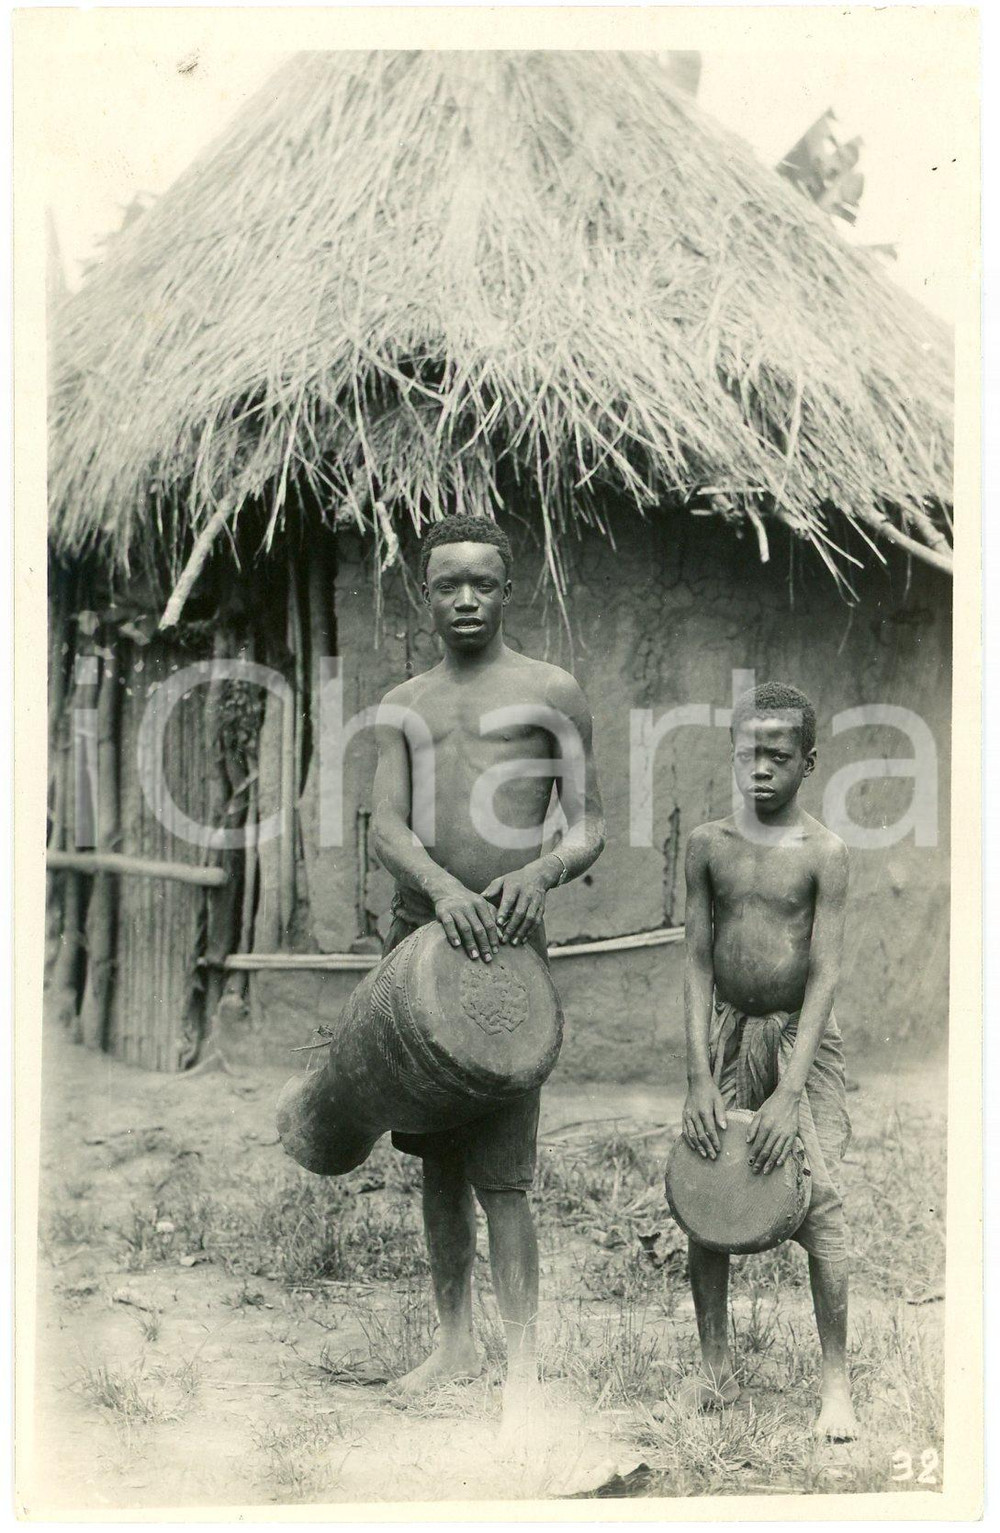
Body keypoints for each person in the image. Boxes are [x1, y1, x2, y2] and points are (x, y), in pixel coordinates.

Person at [370, 515, 605, 1418]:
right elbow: (387, 826)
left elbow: (587, 824)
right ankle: (456, 1341)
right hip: (418, 944)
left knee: (503, 1169)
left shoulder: (553, 691)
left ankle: (523, 1370)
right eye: (446, 584)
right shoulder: (404, 702)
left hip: (507, 942)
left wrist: (538, 871)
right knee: (435, 1157)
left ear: (509, 590)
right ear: (423, 595)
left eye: (482, 582)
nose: (464, 597)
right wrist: (439, 890)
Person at [675, 682, 857, 1441]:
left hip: (800, 1046)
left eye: (778, 756)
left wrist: (787, 1092)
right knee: (708, 1182)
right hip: (724, 1035)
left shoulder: (825, 853)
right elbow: (692, 961)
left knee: (821, 1202)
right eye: (748, 753)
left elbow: (824, 974)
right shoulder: (708, 845)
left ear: (808, 763)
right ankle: (715, 1364)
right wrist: (696, 1077)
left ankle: (836, 1383)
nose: (760, 769)